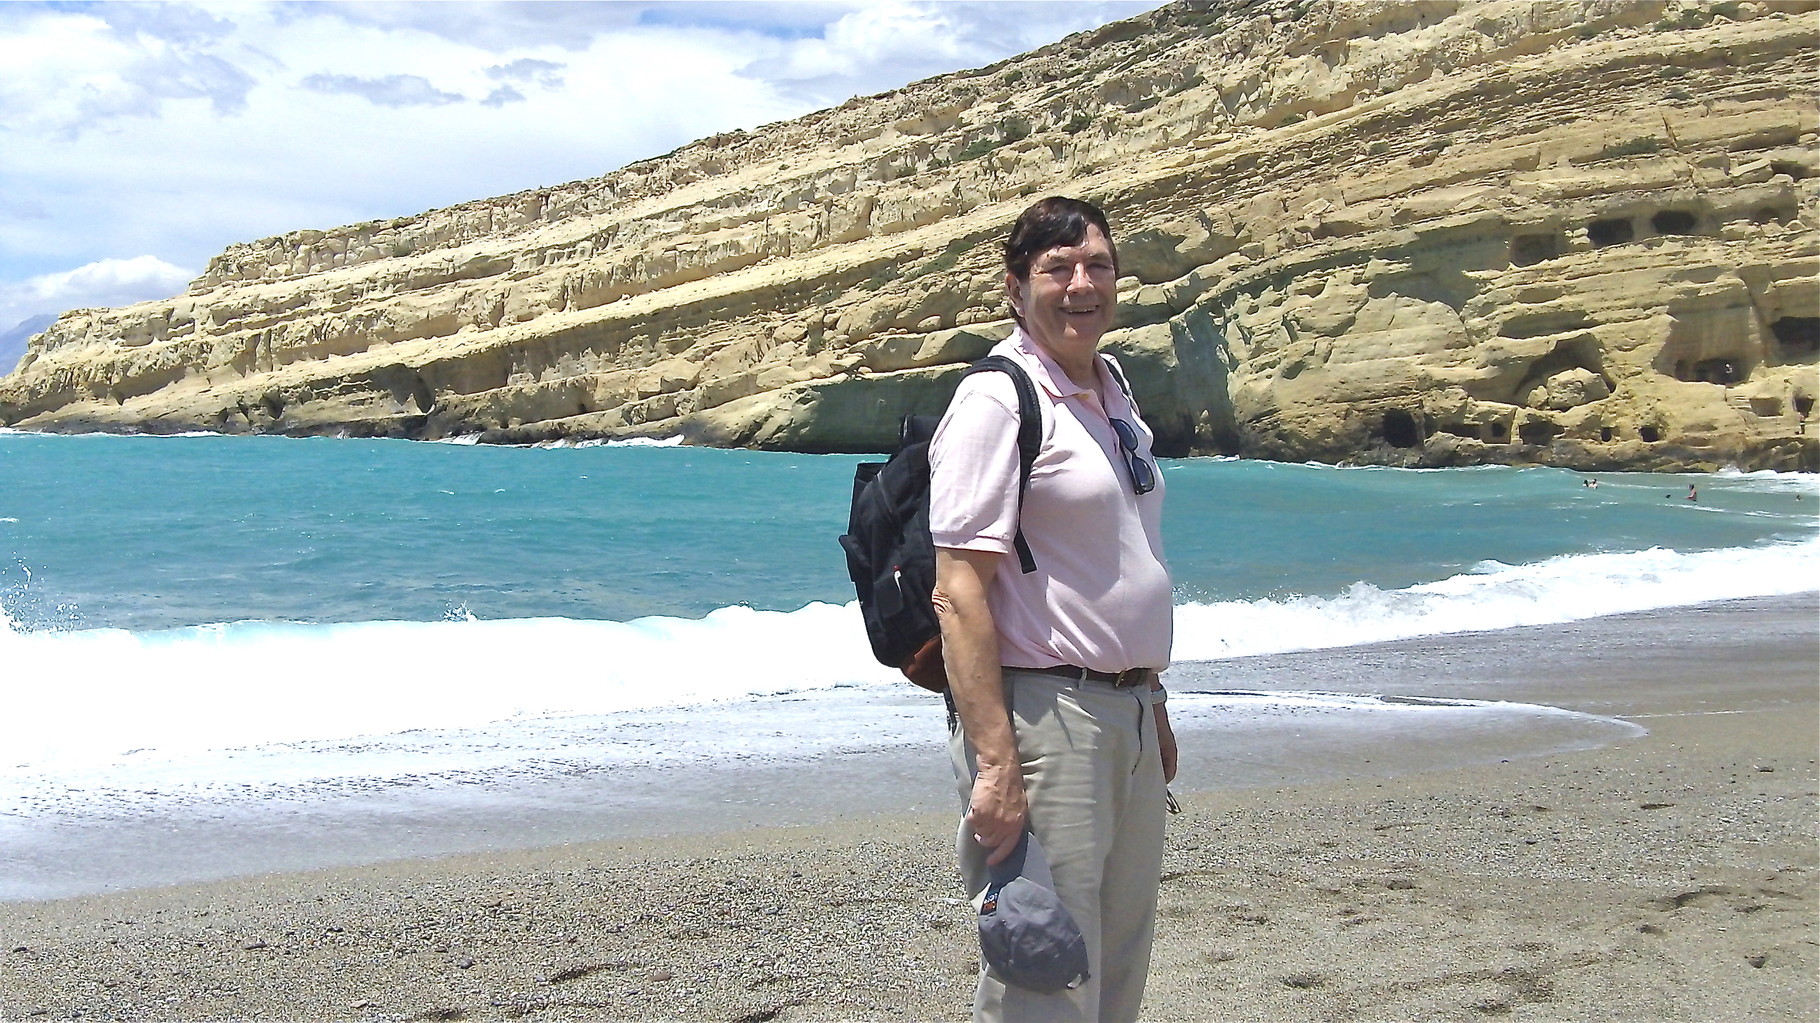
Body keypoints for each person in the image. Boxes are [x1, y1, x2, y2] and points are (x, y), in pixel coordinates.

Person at [928, 196, 1176, 1023]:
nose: (1081, 284)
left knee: (1117, 965)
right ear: (1015, 286)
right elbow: (959, 588)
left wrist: (1154, 702)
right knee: (1046, 969)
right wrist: (997, 765)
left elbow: (1124, 555)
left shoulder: (1112, 391)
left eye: (1097, 265)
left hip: (1126, 711)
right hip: (1046, 718)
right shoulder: (999, 398)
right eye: (1057, 269)